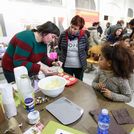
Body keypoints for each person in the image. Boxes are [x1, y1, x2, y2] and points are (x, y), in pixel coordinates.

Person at [58, 15, 89, 80]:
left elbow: (86, 49)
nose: (72, 30)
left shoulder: (84, 36)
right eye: (71, 27)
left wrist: (84, 58)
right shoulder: (63, 34)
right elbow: (59, 47)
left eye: (75, 29)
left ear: (80, 29)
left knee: (79, 83)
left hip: (79, 66)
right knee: (67, 82)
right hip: (66, 65)